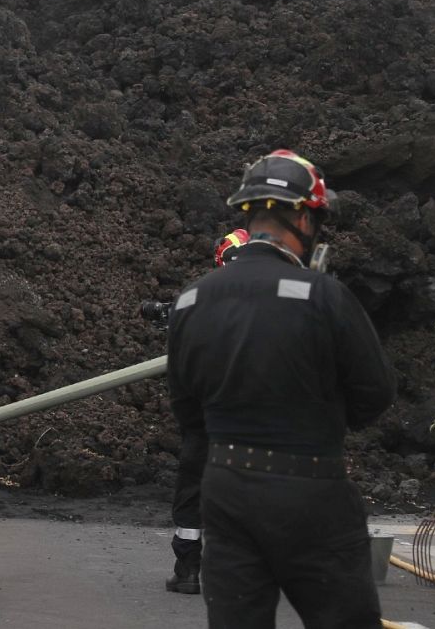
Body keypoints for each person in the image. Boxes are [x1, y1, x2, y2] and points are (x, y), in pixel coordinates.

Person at [167, 150, 396, 627]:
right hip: (309, 489)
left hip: (225, 489)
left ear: (248, 215)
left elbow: (186, 408)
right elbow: (374, 394)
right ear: (302, 218)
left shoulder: (191, 300)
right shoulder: (323, 296)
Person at [166, 226, 250, 596]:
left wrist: (190, 423)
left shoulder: (195, 300)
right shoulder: (282, 300)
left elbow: (180, 371)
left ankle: (188, 571)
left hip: (204, 419)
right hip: (257, 424)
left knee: (193, 490)